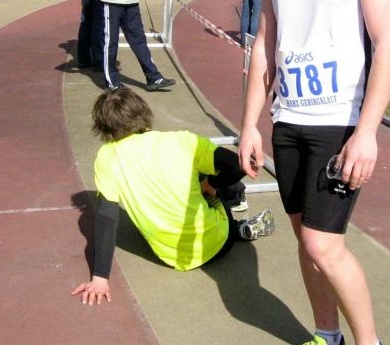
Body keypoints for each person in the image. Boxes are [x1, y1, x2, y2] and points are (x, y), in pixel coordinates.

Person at [239, 0, 390, 345]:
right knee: (304, 241)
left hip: (340, 121)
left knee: (322, 243)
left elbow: (388, 42)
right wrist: (249, 124)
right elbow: (265, 43)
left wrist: (367, 132)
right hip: (288, 121)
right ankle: (327, 337)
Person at [70, 87, 273, 305]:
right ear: (143, 113)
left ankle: (229, 219)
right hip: (220, 243)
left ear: (104, 127)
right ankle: (235, 220)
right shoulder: (182, 140)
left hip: (172, 256)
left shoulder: (107, 157)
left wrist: (100, 278)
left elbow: (107, 218)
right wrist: (211, 184)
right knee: (207, 172)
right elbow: (239, 165)